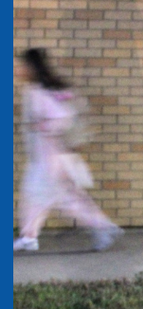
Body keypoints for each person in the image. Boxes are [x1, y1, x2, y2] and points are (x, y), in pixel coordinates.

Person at [15, 48, 122, 252]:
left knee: (59, 199)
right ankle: (29, 236)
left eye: (22, 65)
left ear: (32, 67)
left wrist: (42, 126)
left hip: (49, 161)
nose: (18, 69)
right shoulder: (37, 90)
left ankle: (102, 227)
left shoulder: (38, 92)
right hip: (48, 159)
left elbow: (63, 117)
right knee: (47, 198)